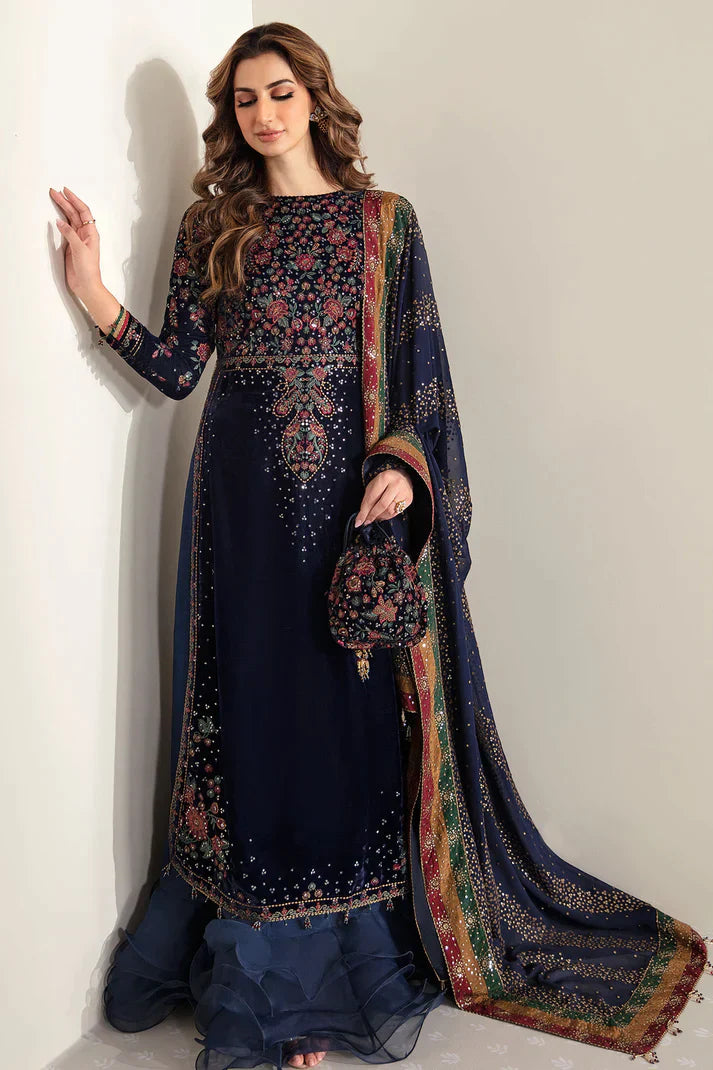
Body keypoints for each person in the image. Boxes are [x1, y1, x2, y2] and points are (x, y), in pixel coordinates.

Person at [50, 20, 710, 1070]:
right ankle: (259, 976)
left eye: (279, 92)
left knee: (341, 724)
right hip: (237, 515)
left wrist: (401, 465)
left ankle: (323, 984)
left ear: (315, 97)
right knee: (250, 718)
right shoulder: (214, 223)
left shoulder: (384, 223)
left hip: (344, 520)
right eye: (244, 100)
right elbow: (178, 369)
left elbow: (421, 381)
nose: (262, 115)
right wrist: (90, 289)